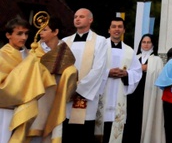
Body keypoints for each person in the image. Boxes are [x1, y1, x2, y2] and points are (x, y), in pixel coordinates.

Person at [1, 17, 56, 143]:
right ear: (8, 35)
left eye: (26, 34)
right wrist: (28, 66)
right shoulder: (2, 56)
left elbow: (41, 79)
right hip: (5, 110)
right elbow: (3, 88)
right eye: (19, 34)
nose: (24, 37)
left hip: (26, 107)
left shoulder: (30, 55)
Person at [62, 8, 109, 143]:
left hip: (87, 93)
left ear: (90, 20)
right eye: (75, 16)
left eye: (81, 16)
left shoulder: (100, 41)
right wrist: (68, 89)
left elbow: (98, 68)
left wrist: (78, 89)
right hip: (67, 95)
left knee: (84, 132)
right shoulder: (65, 41)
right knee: (67, 129)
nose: (77, 19)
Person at [29, 16, 78, 143]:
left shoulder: (64, 52)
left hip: (56, 96)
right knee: (34, 131)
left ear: (55, 32)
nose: (41, 33)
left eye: (45, 30)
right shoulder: (35, 51)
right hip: (39, 97)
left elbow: (71, 72)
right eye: (40, 30)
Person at [95, 17, 143, 143]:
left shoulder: (129, 51)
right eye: (114, 26)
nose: (117, 29)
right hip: (102, 93)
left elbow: (137, 71)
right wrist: (107, 73)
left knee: (116, 128)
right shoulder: (100, 47)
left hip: (119, 94)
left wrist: (126, 73)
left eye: (120, 27)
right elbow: (92, 68)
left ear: (124, 30)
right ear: (109, 30)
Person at [122, 34, 165, 143]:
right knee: (133, 117)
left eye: (148, 42)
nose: (146, 44)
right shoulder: (135, 58)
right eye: (144, 42)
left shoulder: (157, 60)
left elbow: (159, 76)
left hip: (148, 93)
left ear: (153, 44)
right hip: (134, 92)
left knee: (146, 116)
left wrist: (148, 68)